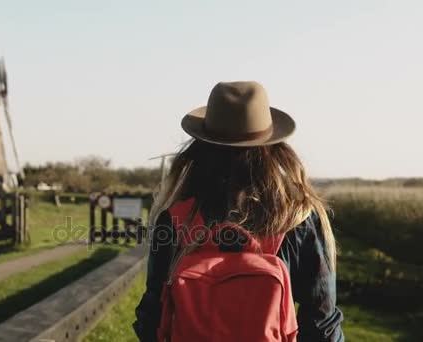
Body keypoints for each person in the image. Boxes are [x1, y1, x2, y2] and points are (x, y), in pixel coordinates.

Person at [133, 81, 344, 341]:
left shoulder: (175, 218)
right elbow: (322, 322)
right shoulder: (297, 218)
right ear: (272, 148)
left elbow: (151, 318)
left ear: (200, 145)